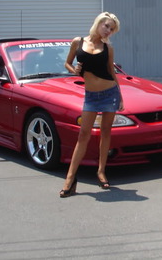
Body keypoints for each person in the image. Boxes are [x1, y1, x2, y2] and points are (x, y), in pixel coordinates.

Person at [59, 12, 123, 198]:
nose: (108, 31)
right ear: (98, 23)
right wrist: (75, 70)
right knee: (83, 135)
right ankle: (70, 179)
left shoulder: (108, 48)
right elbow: (67, 63)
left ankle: (101, 171)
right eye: (107, 26)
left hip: (109, 93)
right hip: (91, 96)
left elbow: (112, 71)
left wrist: (120, 96)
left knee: (106, 132)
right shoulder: (78, 42)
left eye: (112, 29)